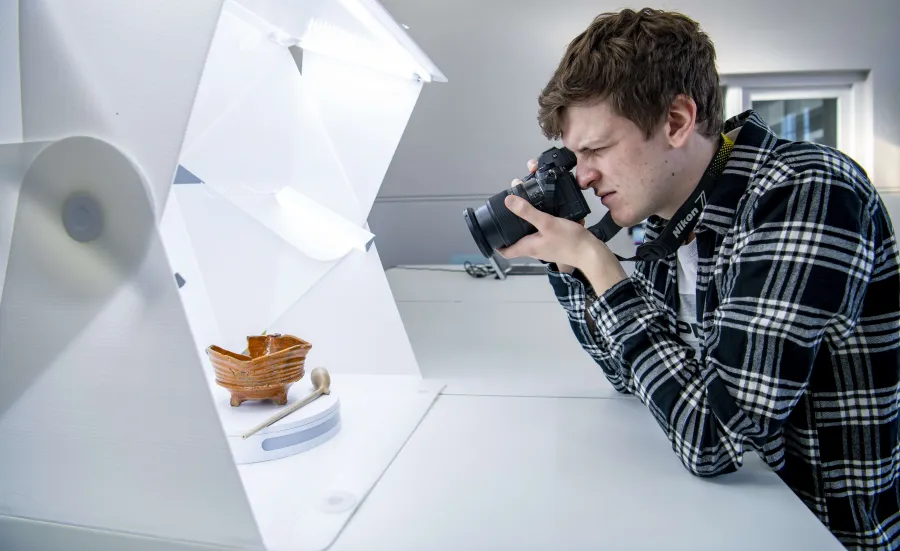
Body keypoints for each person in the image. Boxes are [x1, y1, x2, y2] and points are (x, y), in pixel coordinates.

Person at [498, 8, 900, 551]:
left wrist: (601, 267)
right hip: (736, 516)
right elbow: (630, 376)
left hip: (823, 530)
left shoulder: (805, 192)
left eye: (596, 149)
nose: (585, 176)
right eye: (575, 158)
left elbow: (716, 440)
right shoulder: (671, 214)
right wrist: (571, 261)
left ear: (678, 120)